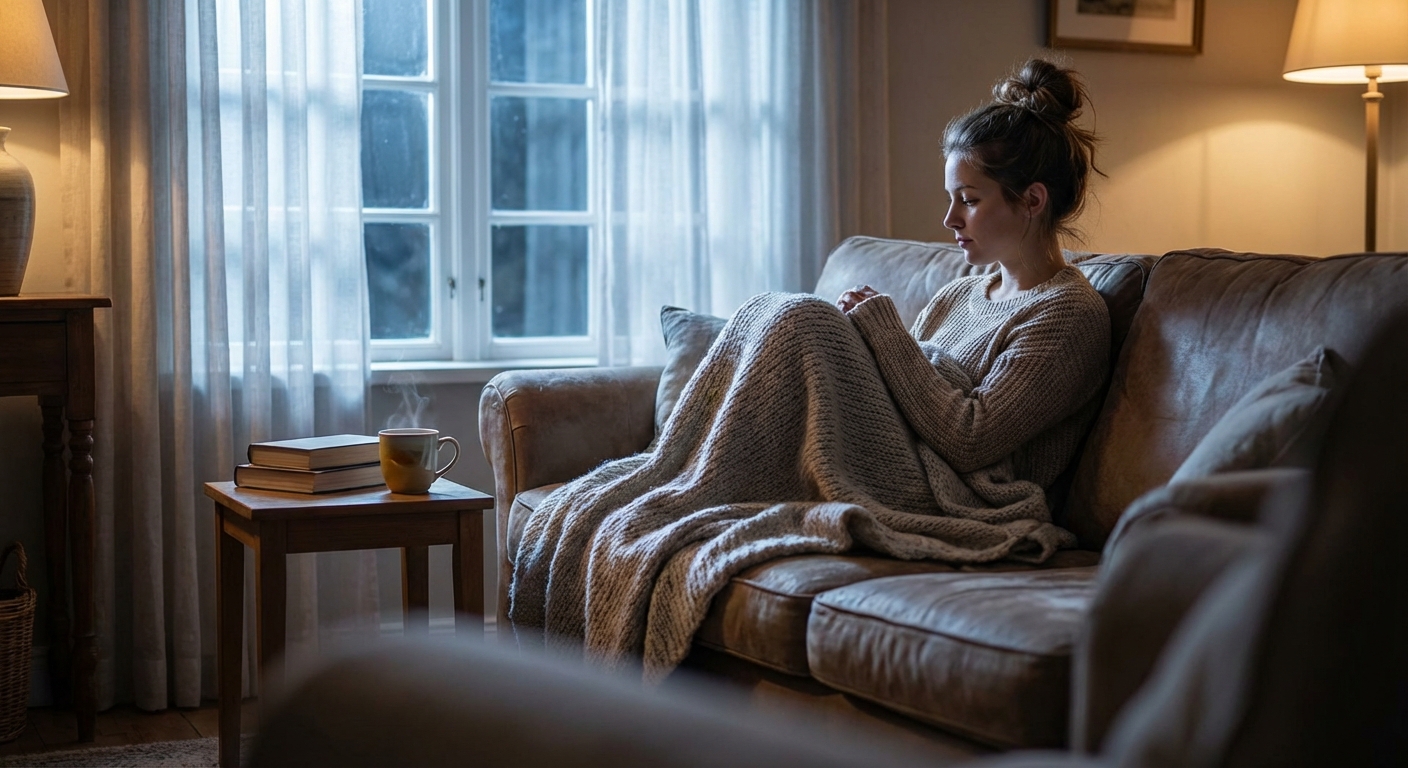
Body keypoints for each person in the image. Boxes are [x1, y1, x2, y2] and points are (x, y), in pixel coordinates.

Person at [509, 57, 1112, 681]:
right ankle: (679, 471)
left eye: (969, 201)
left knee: (802, 316)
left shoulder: (1069, 315)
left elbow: (970, 435)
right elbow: (902, 384)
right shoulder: (965, 291)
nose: (949, 221)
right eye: (949, 199)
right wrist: (873, 343)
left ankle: (689, 480)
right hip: (906, 453)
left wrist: (878, 333)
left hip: (958, 495)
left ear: (1032, 201)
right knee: (779, 311)